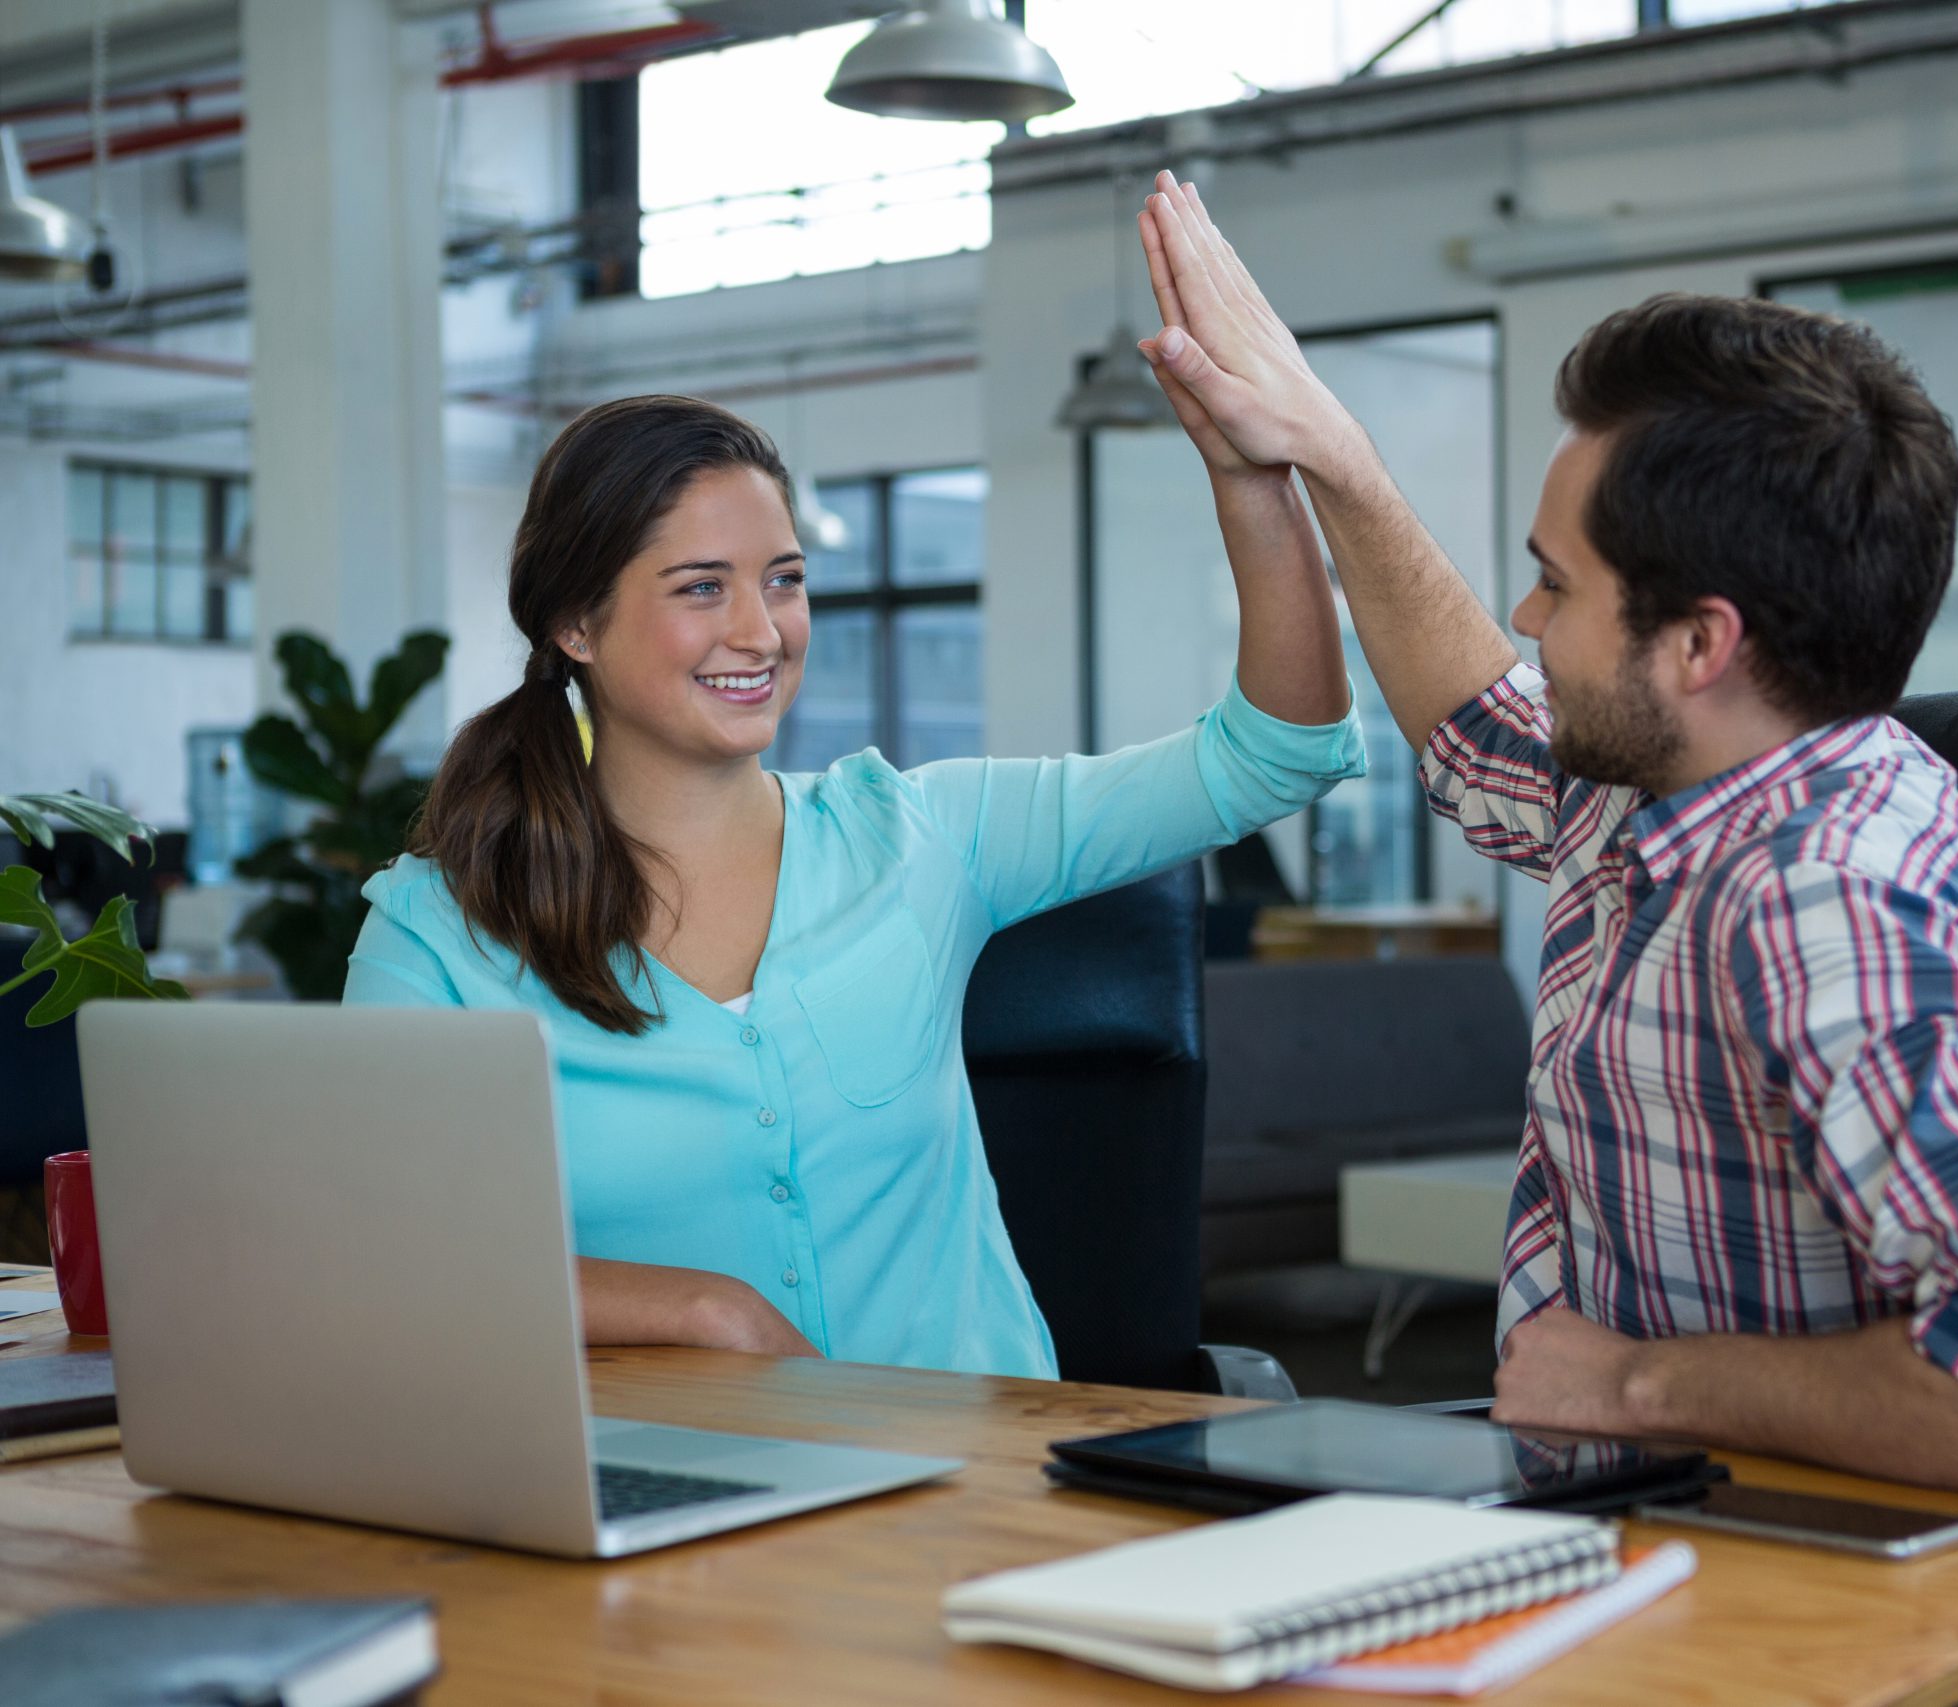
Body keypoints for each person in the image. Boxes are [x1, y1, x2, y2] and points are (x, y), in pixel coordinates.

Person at [1132, 173, 1958, 1508]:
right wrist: (1329, 456)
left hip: (1788, 1584)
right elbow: (1476, 726)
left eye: (1559, 583)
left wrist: (1632, 1381)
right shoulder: (1672, 780)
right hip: (1619, 1512)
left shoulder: (1827, 897)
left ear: (1700, 642)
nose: (1524, 611)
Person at [342, 394, 1361, 1377]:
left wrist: (1252, 484)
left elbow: (1279, 753)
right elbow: (377, 1255)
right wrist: (699, 1311)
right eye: (701, 587)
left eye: (782, 580)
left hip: (975, 1493)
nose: (762, 631)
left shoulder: (920, 837)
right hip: (667, 1500)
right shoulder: (436, 931)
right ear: (575, 622)